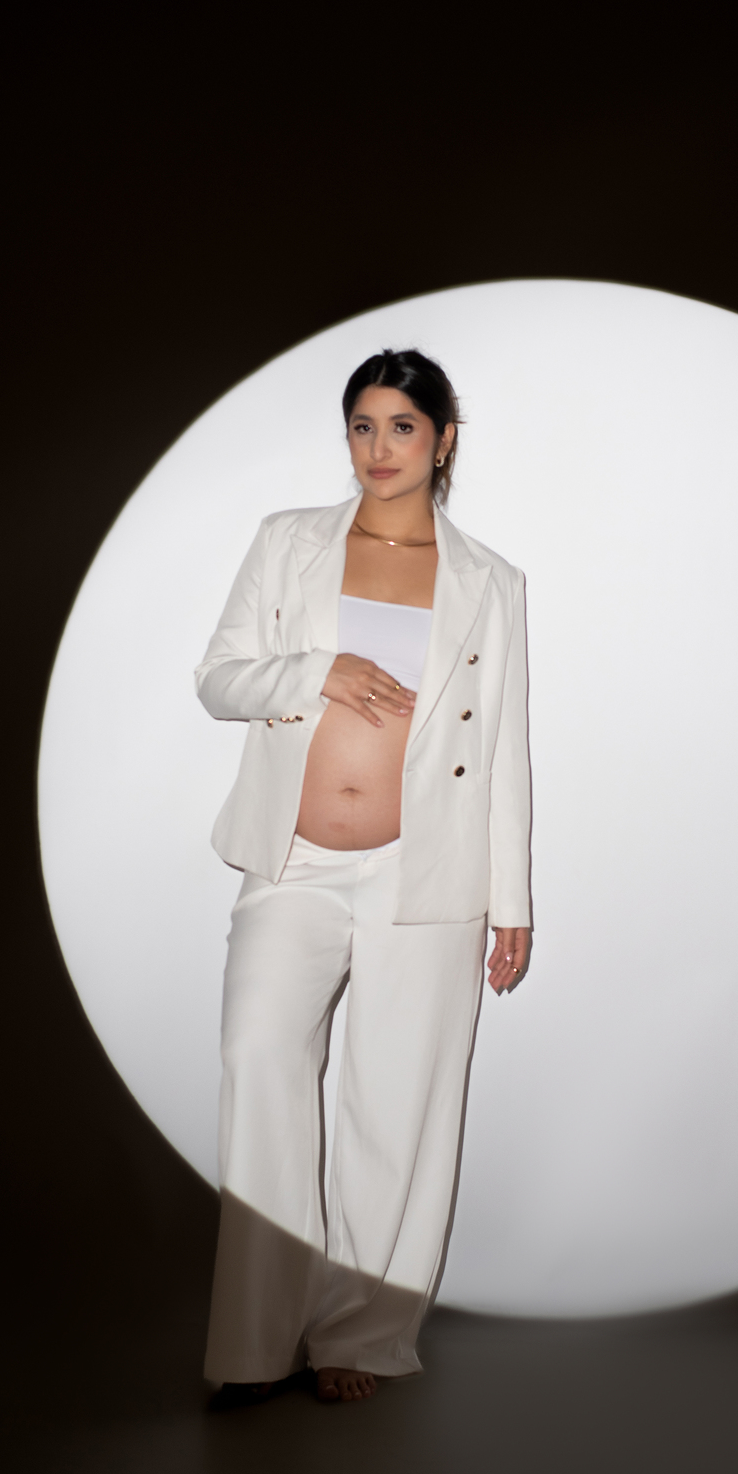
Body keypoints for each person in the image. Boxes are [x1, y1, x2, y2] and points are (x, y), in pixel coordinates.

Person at [195, 348, 532, 1405]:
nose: (378, 448)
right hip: (294, 858)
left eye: (401, 426)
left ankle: (362, 1336)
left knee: (398, 1102)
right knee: (260, 1057)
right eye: (361, 425)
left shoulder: (492, 583)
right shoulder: (288, 542)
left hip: (426, 871)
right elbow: (218, 680)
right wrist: (319, 671)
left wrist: (513, 901)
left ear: (443, 438)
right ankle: (255, 1343)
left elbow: (505, 748)